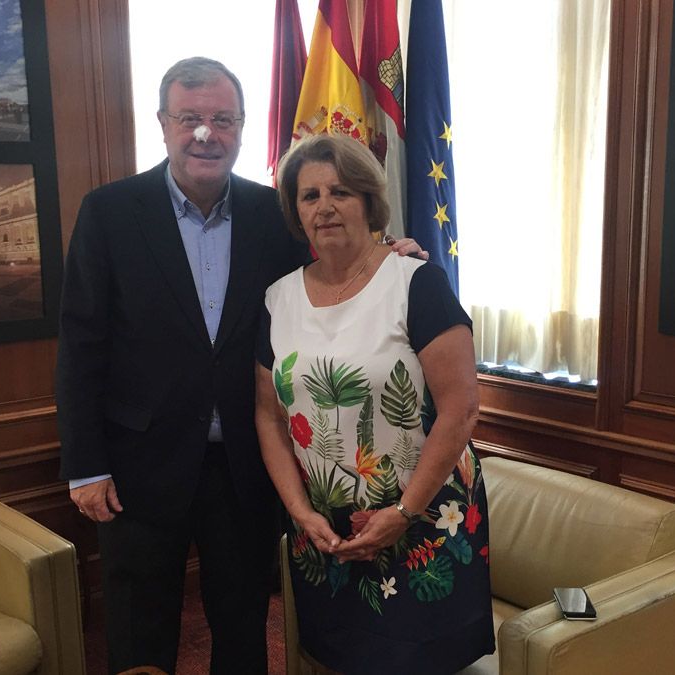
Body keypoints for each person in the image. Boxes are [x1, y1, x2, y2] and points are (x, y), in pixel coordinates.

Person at [55, 57, 423, 675]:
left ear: (243, 127)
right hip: (138, 465)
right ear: (164, 124)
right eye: (191, 118)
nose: (207, 133)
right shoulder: (109, 212)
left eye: (223, 119)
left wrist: (390, 255)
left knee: (243, 620)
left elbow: (332, 260)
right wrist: (84, 466)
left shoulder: (271, 212)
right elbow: (81, 345)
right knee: (139, 624)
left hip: (246, 468)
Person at [255, 133, 494, 674]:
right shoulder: (277, 299)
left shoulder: (416, 283)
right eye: (309, 195)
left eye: (340, 191)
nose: (324, 206)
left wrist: (403, 512)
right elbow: (268, 416)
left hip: (422, 516)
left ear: (368, 199)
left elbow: (461, 410)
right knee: (337, 659)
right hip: (325, 529)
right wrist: (300, 513)